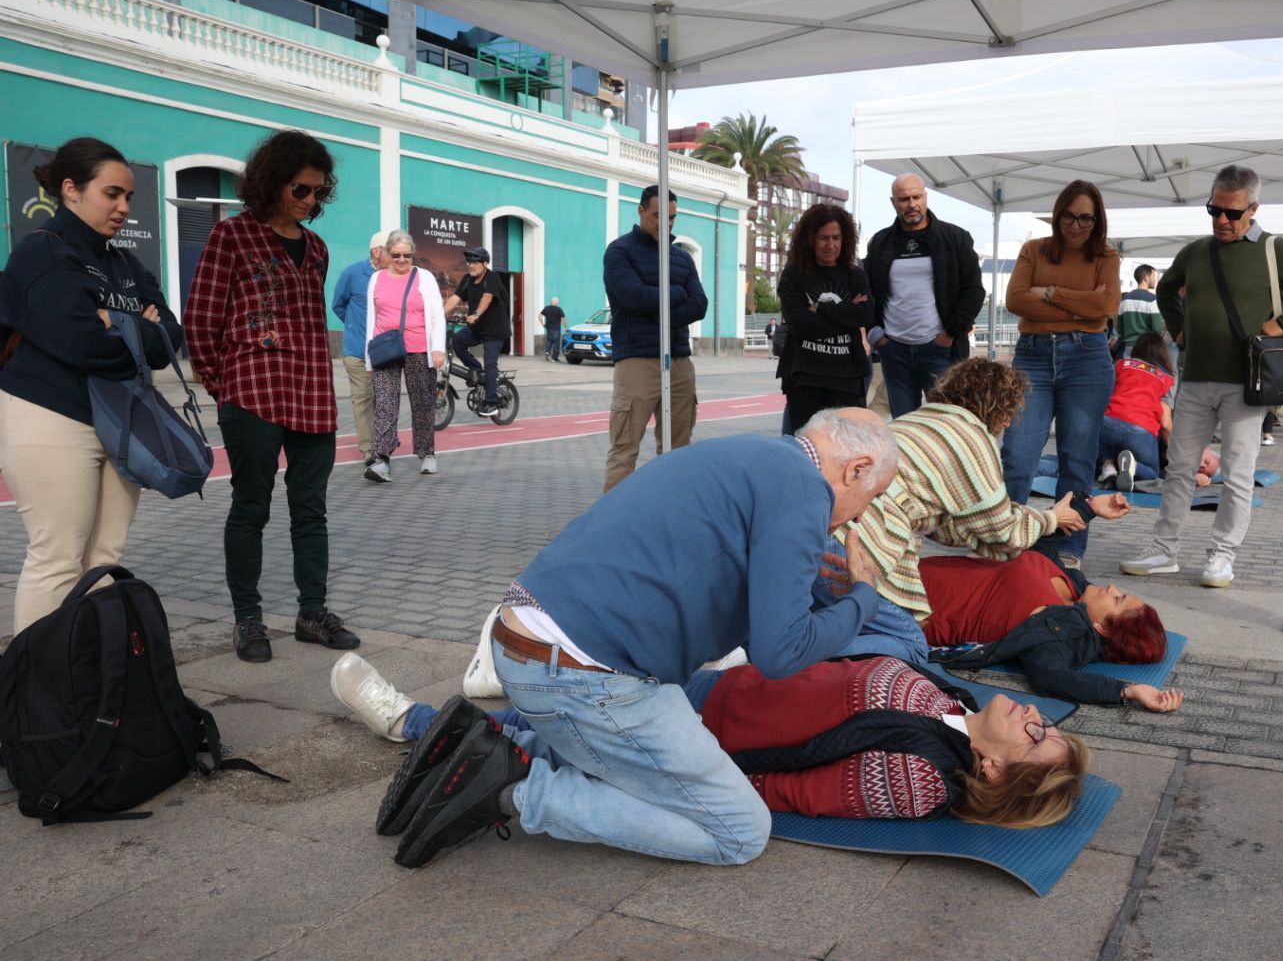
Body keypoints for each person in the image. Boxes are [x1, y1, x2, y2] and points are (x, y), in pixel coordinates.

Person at [360, 409, 902, 869]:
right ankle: (510, 792)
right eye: (870, 498)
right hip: (579, 675)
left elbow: (754, 609)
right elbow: (781, 655)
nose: (861, 515)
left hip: (525, 640)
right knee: (737, 830)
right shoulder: (806, 493)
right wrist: (862, 598)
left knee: (636, 766)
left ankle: (469, 747)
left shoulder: (755, 457)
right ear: (855, 468)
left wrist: (820, 586)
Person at [333, 652, 1090, 828]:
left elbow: (788, 792)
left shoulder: (920, 779)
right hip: (707, 681)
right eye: (1046, 723)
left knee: (542, 742)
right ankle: (493, 690)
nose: (1035, 718)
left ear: (992, 770)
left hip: (693, 730)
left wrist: (678, 773)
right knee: (547, 709)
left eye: (1037, 737)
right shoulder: (956, 701)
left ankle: (409, 723)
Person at [185, 129, 361, 663]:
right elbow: (201, 320)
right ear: (272, 183)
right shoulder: (232, 237)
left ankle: (312, 613)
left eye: (317, 192)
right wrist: (226, 389)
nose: (309, 201)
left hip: (311, 396)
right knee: (250, 509)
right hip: (253, 397)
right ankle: (248, 620)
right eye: (299, 190)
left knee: (312, 511)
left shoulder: (318, 248)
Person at [1118, 166, 1283, 589]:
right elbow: (1166, 290)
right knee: (1179, 468)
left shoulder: (1275, 250)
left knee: (1238, 473)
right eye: (1213, 210)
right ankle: (1165, 550)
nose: (1221, 219)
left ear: (1253, 209)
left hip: (1247, 382)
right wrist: (1178, 326)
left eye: (1231, 213)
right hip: (1197, 378)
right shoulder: (1196, 252)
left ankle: (1222, 555)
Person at [0, 137, 183, 632]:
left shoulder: (122, 261)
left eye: (129, 197)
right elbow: (87, 345)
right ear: (71, 190)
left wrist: (120, 321)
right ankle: (38, 687)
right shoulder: (42, 253)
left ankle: (90, 668)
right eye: (112, 194)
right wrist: (137, 325)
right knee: (59, 556)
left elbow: (172, 337)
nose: (124, 207)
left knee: (104, 557)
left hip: (120, 418)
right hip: (51, 415)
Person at [845, 358, 1130, 647]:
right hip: (867, 540)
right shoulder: (973, 439)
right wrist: (1053, 519)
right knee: (909, 645)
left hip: (841, 521)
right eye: (1008, 412)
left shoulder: (918, 419)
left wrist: (1084, 509)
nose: (1007, 422)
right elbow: (1003, 531)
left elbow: (953, 524)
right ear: (994, 407)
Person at [999, 180, 1122, 566]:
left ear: (1096, 219)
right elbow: (1016, 300)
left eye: (1085, 218)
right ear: (1057, 215)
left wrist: (1049, 294)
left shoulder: (1106, 255)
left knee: (1077, 459)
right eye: (1069, 216)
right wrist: (1081, 309)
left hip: (1087, 360)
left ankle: (1067, 548)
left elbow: (1107, 305)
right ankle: (1006, 540)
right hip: (1033, 357)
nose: (1075, 225)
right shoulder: (1033, 250)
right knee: (1018, 455)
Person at [918, 551, 1182, 711]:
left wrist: (1128, 691)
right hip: (911, 566)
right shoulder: (1079, 591)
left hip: (906, 601)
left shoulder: (1061, 635)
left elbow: (1052, 677)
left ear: (1101, 628)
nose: (1112, 587)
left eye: (1117, 599)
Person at [602, 185, 708, 490]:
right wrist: (676, 294)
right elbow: (634, 297)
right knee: (625, 448)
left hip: (678, 360)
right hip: (637, 361)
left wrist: (661, 310)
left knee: (678, 450)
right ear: (641, 211)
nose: (666, 223)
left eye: (672, 217)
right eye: (658, 215)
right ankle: (613, 522)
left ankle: (672, 512)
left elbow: (699, 304)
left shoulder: (682, 259)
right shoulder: (620, 252)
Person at [863, 173, 984, 417]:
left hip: (940, 349)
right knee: (904, 426)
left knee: (946, 424)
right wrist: (877, 336)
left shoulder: (955, 238)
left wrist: (949, 334)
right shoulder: (880, 243)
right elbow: (868, 292)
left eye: (916, 196)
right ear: (893, 202)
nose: (911, 204)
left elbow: (974, 291)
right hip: (894, 350)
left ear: (925, 196)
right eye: (904, 199)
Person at [774, 204, 874, 431]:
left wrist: (819, 310)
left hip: (848, 376)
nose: (831, 245)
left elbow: (866, 315)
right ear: (810, 239)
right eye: (823, 238)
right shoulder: (794, 275)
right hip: (806, 377)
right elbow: (799, 325)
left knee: (848, 445)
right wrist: (847, 314)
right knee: (807, 443)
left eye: (836, 238)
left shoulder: (856, 274)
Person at [362, 230, 446, 481]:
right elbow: (371, 320)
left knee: (422, 403)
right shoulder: (376, 279)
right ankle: (382, 459)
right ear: (387, 253)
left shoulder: (425, 277)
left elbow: (436, 315)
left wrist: (438, 347)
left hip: (419, 347)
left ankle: (427, 453)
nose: (401, 260)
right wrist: (369, 357)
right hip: (385, 350)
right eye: (396, 255)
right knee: (385, 404)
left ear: (413, 255)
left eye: (407, 255)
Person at [331, 232, 387, 463]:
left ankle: (382, 443)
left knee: (382, 398)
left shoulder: (391, 277)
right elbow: (338, 305)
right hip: (356, 351)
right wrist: (355, 325)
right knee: (363, 398)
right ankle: (368, 450)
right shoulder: (352, 273)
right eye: (390, 251)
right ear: (376, 251)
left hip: (383, 351)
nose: (396, 256)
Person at [1096, 333, 1177, 492]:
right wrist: (1174, 455)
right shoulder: (1167, 378)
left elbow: (1103, 398)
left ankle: (1108, 465)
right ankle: (1131, 466)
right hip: (1141, 431)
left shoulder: (1121, 364)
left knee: (1102, 421)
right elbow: (1166, 424)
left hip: (1109, 424)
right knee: (1153, 473)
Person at [449, 246, 508, 418]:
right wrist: (439, 315)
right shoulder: (467, 279)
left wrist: (475, 314)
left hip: (495, 331)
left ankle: (491, 402)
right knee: (457, 341)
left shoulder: (493, 277)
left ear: (484, 264)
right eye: (469, 262)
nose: (471, 265)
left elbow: (487, 298)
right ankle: (475, 369)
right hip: (477, 328)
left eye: (475, 262)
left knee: (490, 363)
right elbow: (455, 299)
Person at [1114, 263, 1165, 359]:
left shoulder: (1124, 299)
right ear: (1146, 278)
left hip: (1127, 349)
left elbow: (1120, 328)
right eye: (1154, 276)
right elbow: (1157, 329)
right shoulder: (1153, 300)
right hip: (1146, 349)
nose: (1156, 280)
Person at [541, 296, 565, 362]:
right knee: (556, 344)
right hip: (556, 329)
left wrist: (542, 323)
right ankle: (554, 358)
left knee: (549, 341)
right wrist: (565, 326)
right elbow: (563, 319)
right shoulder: (559, 309)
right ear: (557, 303)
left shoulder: (546, 308)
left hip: (549, 328)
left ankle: (547, 352)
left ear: (551, 302)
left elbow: (540, 315)